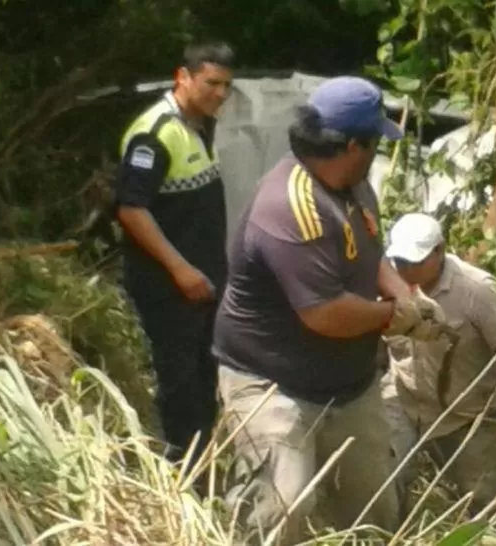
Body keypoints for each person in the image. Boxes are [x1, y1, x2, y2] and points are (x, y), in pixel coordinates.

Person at [213, 76, 444, 544]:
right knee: (282, 509)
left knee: (375, 512)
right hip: (273, 383)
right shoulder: (290, 208)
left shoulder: (355, 188)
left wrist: (406, 298)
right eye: (376, 141)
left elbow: (371, 255)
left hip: (349, 384)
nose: (378, 150)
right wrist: (392, 318)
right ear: (354, 145)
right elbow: (324, 314)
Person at [113, 41, 234, 478]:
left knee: (204, 382)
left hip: (201, 286)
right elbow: (132, 209)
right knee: (179, 385)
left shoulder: (199, 126)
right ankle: (180, 480)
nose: (219, 93)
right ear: (182, 77)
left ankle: (205, 470)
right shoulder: (155, 132)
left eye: (226, 86)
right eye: (211, 83)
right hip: (168, 288)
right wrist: (180, 269)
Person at [380, 212, 496, 515]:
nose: (405, 269)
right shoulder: (386, 281)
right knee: (385, 481)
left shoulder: (475, 291)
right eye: (400, 261)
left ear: (439, 251)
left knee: (482, 501)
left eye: (415, 262)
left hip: (466, 414)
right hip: (403, 400)